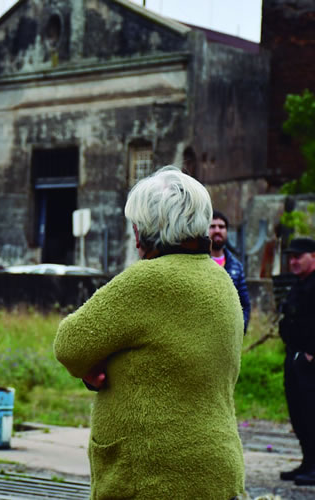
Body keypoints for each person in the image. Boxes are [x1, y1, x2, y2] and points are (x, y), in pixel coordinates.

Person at [54, 166, 246, 499]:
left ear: (148, 229)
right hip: (218, 470)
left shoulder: (147, 281)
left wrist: (95, 370)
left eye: (137, 225)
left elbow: (70, 344)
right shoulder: (222, 282)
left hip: (154, 475)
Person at [278, 237, 315, 486]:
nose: (293, 261)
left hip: (313, 358)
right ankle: (308, 461)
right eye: (291, 257)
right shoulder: (299, 285)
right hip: (295, 355)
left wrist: (310, 353)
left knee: (313, 411)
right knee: (298, 412)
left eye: (298, 256)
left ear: (313, 256)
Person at [209, 210, 251, 333]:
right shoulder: (198, 263)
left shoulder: (236, 266)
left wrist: (240, 329)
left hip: (228, 335)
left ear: (227, 231)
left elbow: (244, 303)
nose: (217, 230)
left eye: (221, 227)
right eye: (212, 226)